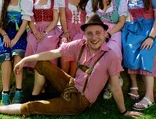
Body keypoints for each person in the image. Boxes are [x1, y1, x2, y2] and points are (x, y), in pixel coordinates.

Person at [0, 14, 143, 118]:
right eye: (90, 34)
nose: (94, 37)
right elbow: (53, 53)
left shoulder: (111, 56)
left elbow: (116, 87)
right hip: (72, 85)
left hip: (79, 102)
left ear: (105, 33)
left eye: (98, 33)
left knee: (33, 108)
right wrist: (25, 60)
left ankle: (3, 109)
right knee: (42, 63)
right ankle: (35, 95)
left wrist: (124, 112)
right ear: (85, 34)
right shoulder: (79, 45)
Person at [85, 0, 128, 99]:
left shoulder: (119, 0)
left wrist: (108, 33)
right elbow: (89, 21)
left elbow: (121, 22)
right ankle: (91, 84)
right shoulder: (92, 1)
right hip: (96, 31)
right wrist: (97, 34)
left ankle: (113, 82)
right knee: (90, 50)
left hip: (114, 31)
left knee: (112, 50)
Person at [122, 0, 156, 110]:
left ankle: (149, 96)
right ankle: (134, 85)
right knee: (128, 50)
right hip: (135, 30)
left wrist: (151, 37)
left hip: (150, 29)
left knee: (146, 54)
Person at [24, 0, 62, 99]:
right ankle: (41, 85)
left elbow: (55, 19)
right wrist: (35, 32)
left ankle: (41, 85)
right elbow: (30, 18)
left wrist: (45, 33)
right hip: (35, 28)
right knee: (31, 42)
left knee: (46, 44)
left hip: (50, 29)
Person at [0, 0, 33, 105]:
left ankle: (19, 91)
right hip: (5, 34)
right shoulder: (3, 2)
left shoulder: (24, 1)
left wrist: (16, 38)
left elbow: (25, 23)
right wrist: (5, 35)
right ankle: (6, 91)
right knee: (6, 57)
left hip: (19, 33)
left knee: (17, 55)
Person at [59, 0, 91, 77]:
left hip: (81, 32)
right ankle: (63, 83)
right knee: (64, 53)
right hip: (67, 30)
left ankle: (72, 84)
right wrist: (65, 32)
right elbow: (62, 18)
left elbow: (89, 19)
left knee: (77, 56)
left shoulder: (88, 1)